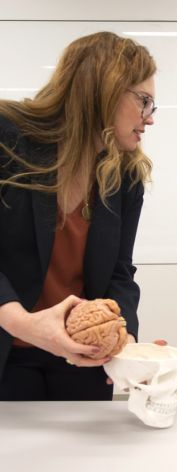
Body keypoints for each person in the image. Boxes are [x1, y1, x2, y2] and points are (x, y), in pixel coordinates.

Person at [0, 32, 157, 400]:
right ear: (105, 88)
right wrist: (23, 322)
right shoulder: (7, 139)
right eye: (144, 101)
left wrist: (126, 337)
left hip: (80, 358)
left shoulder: (127, 174)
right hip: (7, 349)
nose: (150, 119)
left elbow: (120, 270)